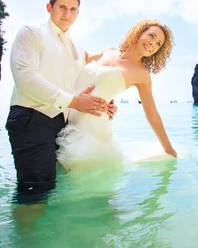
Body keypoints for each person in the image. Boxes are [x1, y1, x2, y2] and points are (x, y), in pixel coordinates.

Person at [6, 0, 117, 205]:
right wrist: (75, 101)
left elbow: (79, 82)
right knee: (35, 189)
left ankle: (49, 236)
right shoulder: (32, 32)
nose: (67, 14)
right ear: (50, 7)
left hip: (63, 123)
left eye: (73, 9)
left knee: (59, 184)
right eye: (62, 7)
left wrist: (102, 103)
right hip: (31, 117)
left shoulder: (76, 44)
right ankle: (27, 239)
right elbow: (25, 77)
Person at [56, 19, 177, 171]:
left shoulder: (142, 75)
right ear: (139, 33)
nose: (153, 43)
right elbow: (79, 61)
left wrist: (168, 149)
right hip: (63, 114)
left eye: (158, 43)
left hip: (90, 130)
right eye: (151, 36)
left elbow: (152, 114)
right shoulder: (109, 51)